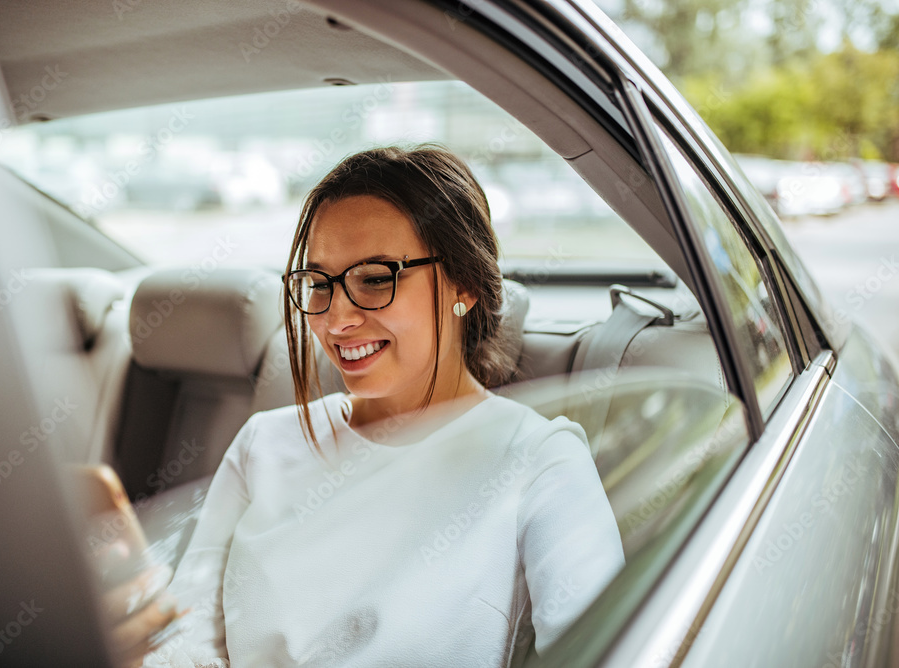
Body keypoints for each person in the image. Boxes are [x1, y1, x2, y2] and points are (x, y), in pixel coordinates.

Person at [141, 145, 624, 667]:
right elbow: (185, 645)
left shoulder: (539, 460)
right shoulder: (264, 443)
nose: (336, 319)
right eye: (318, 284)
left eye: (374, 278)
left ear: (464, 283)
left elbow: (609, 655)